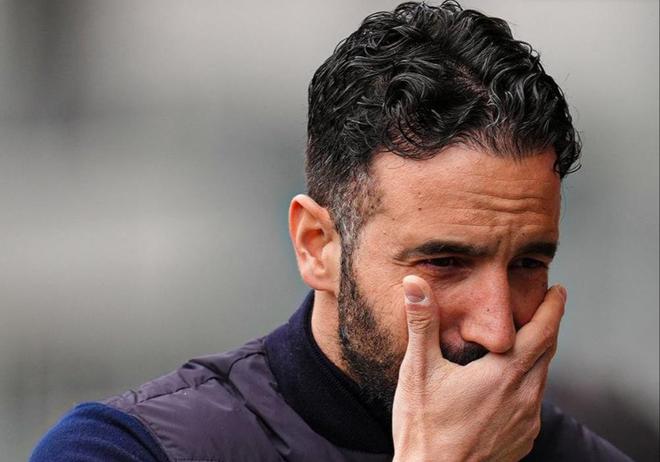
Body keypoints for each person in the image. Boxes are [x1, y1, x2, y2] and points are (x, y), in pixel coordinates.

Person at [31, 1, 632, 461]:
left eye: (528, 264)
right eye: (444, 263)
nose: (496, 329)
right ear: (316, 245)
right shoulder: (128, 449)